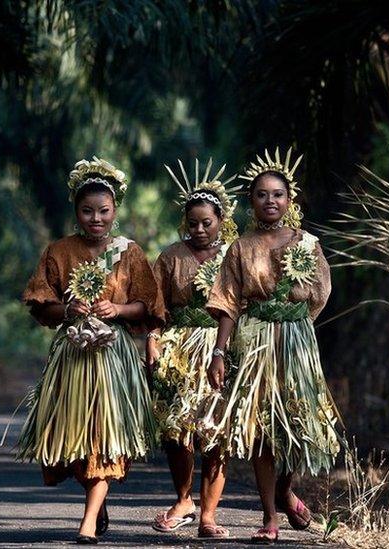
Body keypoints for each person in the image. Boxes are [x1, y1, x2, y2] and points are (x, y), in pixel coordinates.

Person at [16, 156, 165, 545]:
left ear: (115, 210)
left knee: (106, 434)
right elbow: (40, 303)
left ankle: (87, 522)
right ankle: (96, 502)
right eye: (87, 211)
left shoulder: (129, 253)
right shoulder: (59, 251)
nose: (95, 219)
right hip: (73, 357)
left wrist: (117, 308)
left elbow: (147, 304)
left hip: (114, 357)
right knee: (79, 437)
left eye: (103, 211)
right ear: (76, 211)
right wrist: (67, 309)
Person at [206, 148, 342, 542]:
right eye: (262, 194)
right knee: (263, 429)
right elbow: (227, 302)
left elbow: (319, 293)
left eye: (278, 194)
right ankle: (269, 515)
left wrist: (295, 320)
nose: (271, 201)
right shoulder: (240, 248)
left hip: (295, 343)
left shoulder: (307, 243)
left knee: (298, 423)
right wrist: (219, 352)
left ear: (290, 200)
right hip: (254, 344)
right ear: (251, 201)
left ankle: (285, 489)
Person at [146, 159, 240, 538]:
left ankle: (209, 516)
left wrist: (223, 351)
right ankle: (184, 499)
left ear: (221, 220)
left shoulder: (233, 255)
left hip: (221, 346)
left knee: (215, 431)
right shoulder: (170, 256)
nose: (199, 230)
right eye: (193, 223)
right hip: (178, 348)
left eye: (208, 223)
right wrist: (152, 339)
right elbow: (155, 304)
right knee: (177, 430)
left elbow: (238, 305)